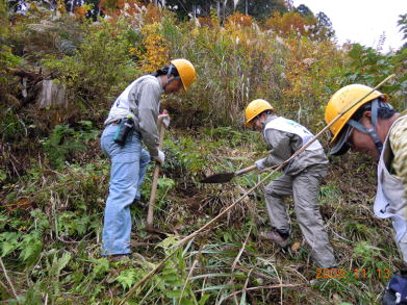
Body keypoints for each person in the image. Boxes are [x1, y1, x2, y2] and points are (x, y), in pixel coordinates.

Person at [100, 58, 196, 258]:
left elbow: (142, 113)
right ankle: (115, 252)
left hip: (116, 134)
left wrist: (159, 119)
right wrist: (156, 152)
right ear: (171, 75)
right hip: (124, 136)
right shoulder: (152, 84)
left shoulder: (147, 85)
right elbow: (145, 123)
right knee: (121, 193)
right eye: (178, 85)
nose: (177, 90)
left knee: (142, 160)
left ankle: (128, 201)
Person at [324, 84, 407, 304]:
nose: (353, 148)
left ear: (368, 118)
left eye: (350, 140)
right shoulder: (392, 147)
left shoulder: (402, 135)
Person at [244, 99, 337, 268]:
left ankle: (328, 269)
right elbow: (287, 154)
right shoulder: (283, 122)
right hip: (301, 166)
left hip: (308, 166)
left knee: (307, 214)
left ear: (262, 116)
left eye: (254, 122)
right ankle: (281, 233)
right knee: (272, 190)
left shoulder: (271, 128)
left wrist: (262, 163)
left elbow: (282, 156)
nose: (256, 127)